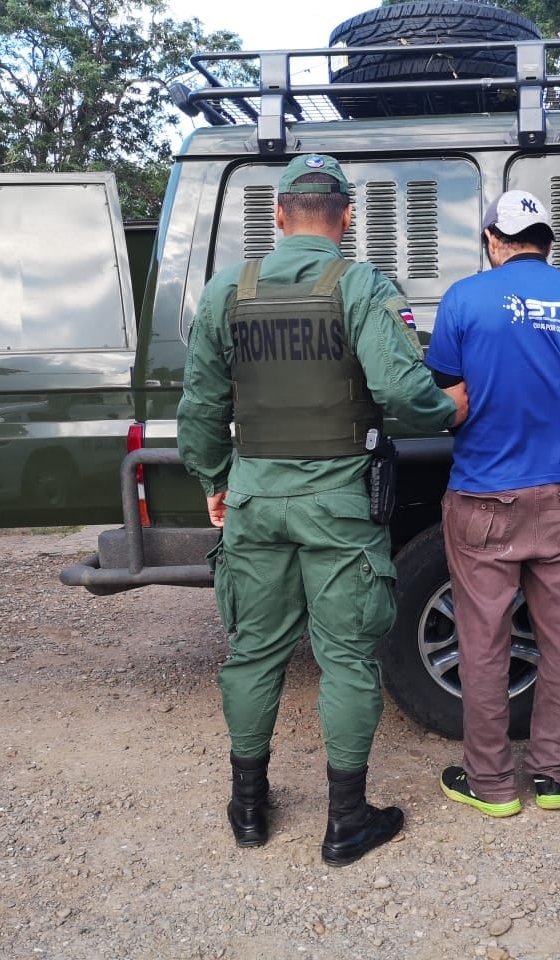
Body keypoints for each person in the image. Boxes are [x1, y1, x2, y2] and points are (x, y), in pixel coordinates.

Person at [177, 153, 468, 866]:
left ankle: (248, 808)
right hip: (336, 504)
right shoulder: (361, 285)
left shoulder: (226, 292)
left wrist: (217, 478)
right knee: (345, 659)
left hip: (254, 498)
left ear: (279, 216)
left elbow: (200, 412)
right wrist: (447, 408)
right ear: (346, 217)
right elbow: (403, 393)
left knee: (253, 654)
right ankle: (345, 822)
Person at [426, 189, 560, 817]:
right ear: (547, 241)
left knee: (481, 640)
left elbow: (447, 395)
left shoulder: (464, 300)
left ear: (493, 241)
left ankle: (490, 784)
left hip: (483, 496)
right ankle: (553, 776)